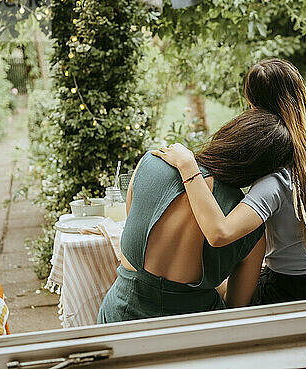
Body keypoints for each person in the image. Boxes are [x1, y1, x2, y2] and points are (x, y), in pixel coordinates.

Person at [153, 58, 306, 305]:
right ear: (303, 97)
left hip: (288, 293)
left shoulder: (274, 181)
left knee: (220, 289)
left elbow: (219, 234)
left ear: (254, 110)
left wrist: (188, 167)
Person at [98, 109, 294, 324]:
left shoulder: (149, 164)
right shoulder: (251, 231)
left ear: (226, 134)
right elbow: (235, 305)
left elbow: (135, 234)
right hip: (193, 333)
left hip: (120, 320)